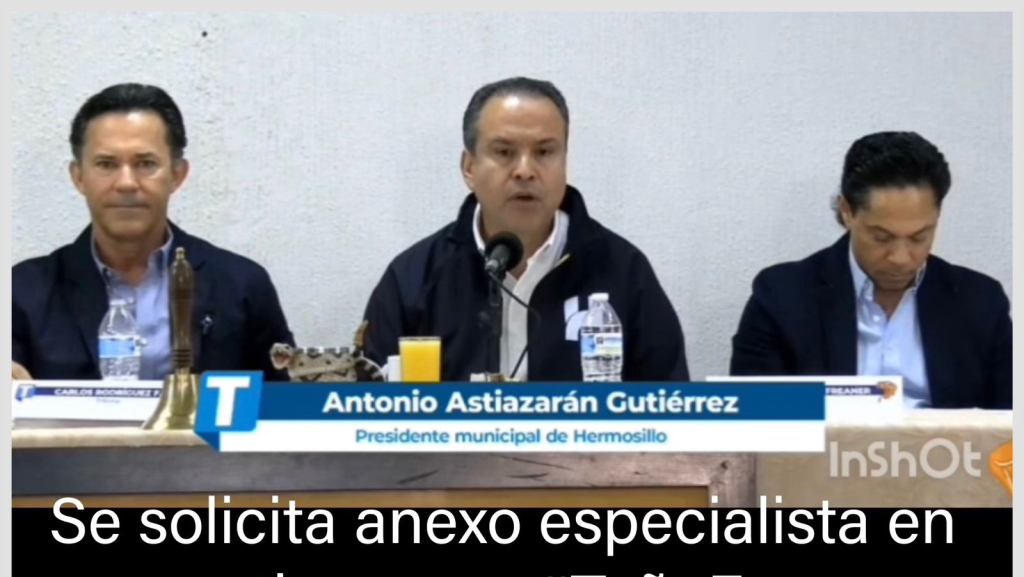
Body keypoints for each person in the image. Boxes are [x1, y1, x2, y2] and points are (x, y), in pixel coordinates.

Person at [362, 76, 688, 381]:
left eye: (544, 152)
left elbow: (671, 404)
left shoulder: (622, 270)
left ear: (565, 162)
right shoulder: (414, 278)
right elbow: (366, 406)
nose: (525, 171)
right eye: (504, 152)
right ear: (469, 167)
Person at [12, 83, 294, 381]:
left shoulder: (242, 285)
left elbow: (284, 401)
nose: (126, 183)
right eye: (106, 164)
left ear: (177, 175)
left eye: (145, 164)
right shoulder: (21, 292)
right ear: (79, 177)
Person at [730, 131, 1011, 409]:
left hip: (948, 442)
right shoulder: (782, 296)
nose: (901, 258)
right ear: (847, 211)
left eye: (919, 237)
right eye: (881, 237)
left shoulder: (979, 301)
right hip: (826, 441)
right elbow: (753, 411)